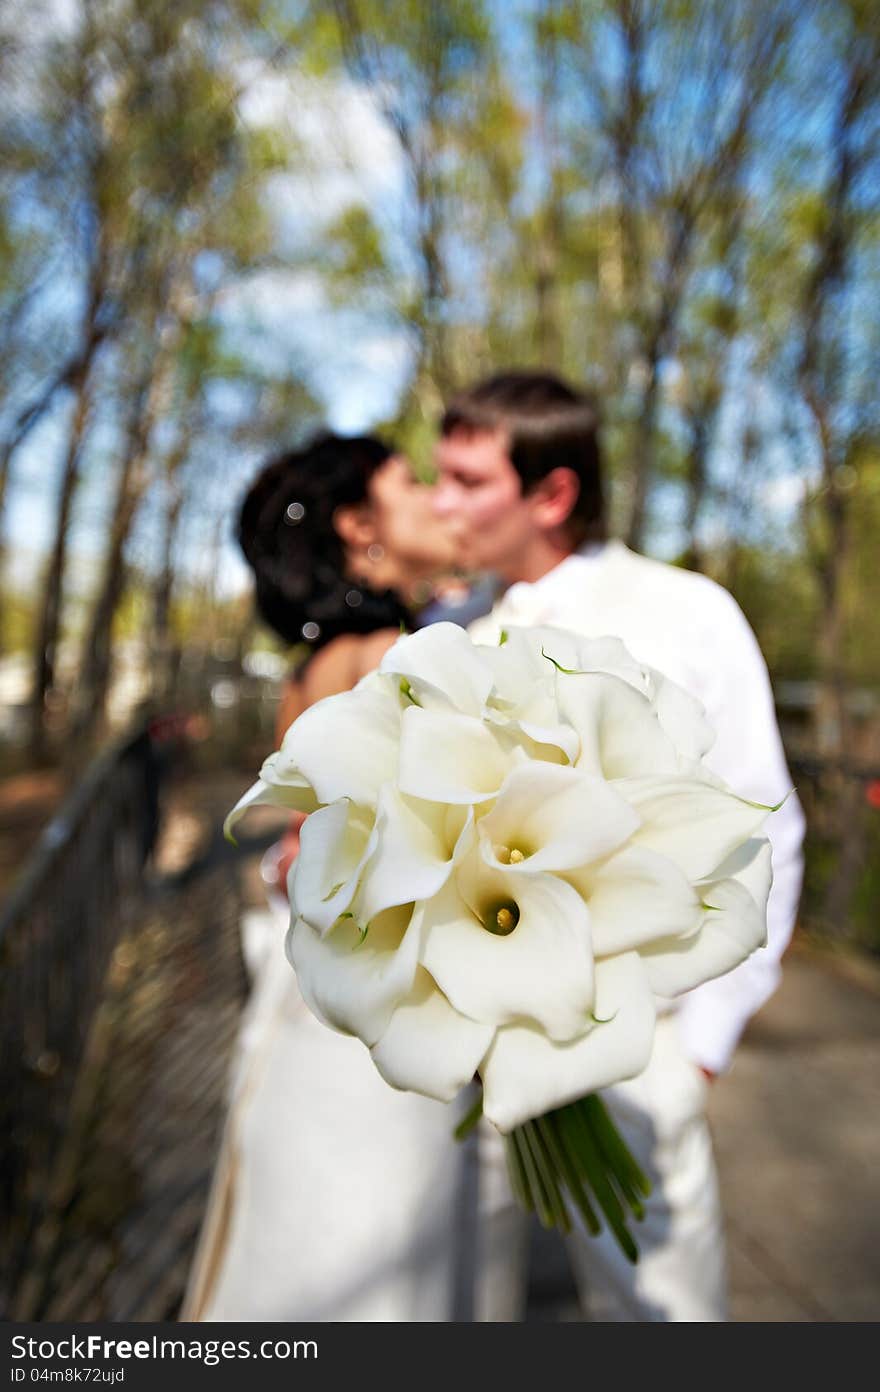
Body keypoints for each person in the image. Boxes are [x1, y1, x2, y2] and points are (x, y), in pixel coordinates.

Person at [431, 370, 806, 1321]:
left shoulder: (688, 612)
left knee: (660, 1317)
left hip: (641, 1059)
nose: (442, 504)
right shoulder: (451, 633)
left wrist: (706, 1043)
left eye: (467, 481)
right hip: (469, 1072)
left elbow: (765, 819)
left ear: (551, 495)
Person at [183, 432, 471, 1322]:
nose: (434, 496)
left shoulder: (309, 670)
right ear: (360, 528)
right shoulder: (395, 655)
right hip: (385, 1014)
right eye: (411, 484)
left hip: (314, 1003)